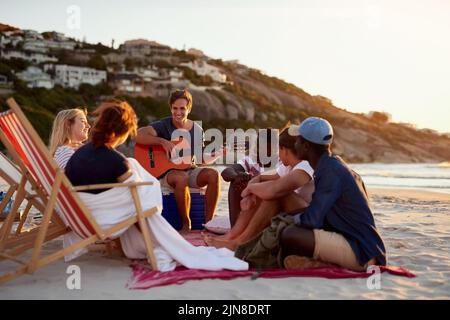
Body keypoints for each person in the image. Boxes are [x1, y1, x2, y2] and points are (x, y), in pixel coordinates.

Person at [64, 99, 248, 272]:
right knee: (145, 198)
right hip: (102, 217)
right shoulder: (115, 160)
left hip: (79, 214)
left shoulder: (79, 154)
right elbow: (135, 189)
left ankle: (202, 223)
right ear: (120, 132)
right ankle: (164, 242)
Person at [280, 117, 386, 271]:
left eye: (297, 140)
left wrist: (288, 219)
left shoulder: (331, 172)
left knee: (290, 234)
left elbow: (311, 220)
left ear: (306, 145)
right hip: (355, 240)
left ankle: (322, 264)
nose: (294, 145)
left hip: (362, 253)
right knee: (291, 226)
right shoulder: (332, 165)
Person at [205, 126, 314, 250]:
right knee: (264, 191)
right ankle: (232, 236)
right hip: (296, 211)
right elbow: (267, 178)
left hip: (310, 216)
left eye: (277, 148)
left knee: (276, 194)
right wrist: (255, 182)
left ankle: (241, 242)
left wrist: (249, 190)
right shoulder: (288, 166)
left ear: (285, 150)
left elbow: (275, 189)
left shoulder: (306, 165)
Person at [135, 89, 222, 231]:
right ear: (170, 108)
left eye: (182, 108)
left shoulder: (197, 130)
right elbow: (138, 135)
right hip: (167, 173)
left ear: (189, 109)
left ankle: (208, 223)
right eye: (175, 108)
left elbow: (199, 159)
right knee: (182, 178)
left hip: (189, 169)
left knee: (213, 174)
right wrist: (162, 142)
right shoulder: (164, 125)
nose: (178, 112)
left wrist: (217, 154)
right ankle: (186, 224)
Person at [221, 128, 274, 227]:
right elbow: (226, 172)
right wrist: (236, 176)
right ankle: (235, 228)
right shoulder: (252, 160)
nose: (260, 149)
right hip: (252, 202)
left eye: (265, 146)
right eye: (259, 144)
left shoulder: (280, 163)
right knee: (236, 182)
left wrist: (252, 179)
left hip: (270, 204)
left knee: (250, 182)